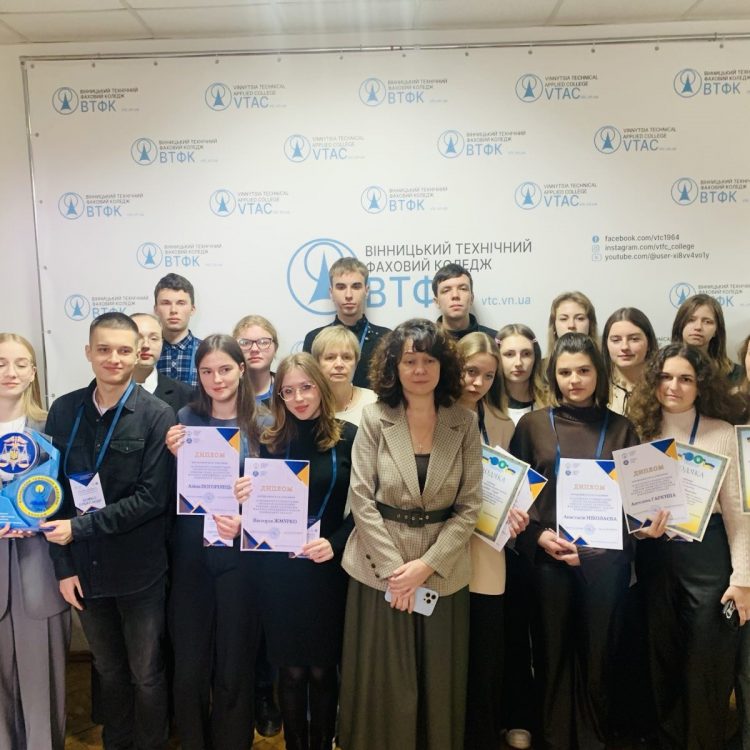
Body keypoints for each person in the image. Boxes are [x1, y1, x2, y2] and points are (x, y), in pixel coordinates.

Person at [339, 319, 483, 750]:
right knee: (383, 684)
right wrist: (395, 571)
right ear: (393, 367)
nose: (420, 370)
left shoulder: (464, 421)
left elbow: (469, 507)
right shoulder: (374, 418)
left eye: (429, 360)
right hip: (377, 572)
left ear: (443, 366)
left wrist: (425, 567)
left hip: (442, 573)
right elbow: (361, 499)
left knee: (438, 682)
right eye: (410, 361)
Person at [43, 312, 175, 750]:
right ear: (88, 352)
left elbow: (151, 498)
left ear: (138, 354)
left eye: (123, 350)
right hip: (84, 571)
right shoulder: (64, 410)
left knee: (146, 673)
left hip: (140, 572)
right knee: (108, 669)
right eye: (104, 349)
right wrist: (63, 567)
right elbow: (50, 494)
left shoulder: (157, 415)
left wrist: (79, 528)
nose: (113, 358)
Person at [511, 332, 639, 750]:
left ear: (598, 373)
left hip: (604, 564)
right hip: (548, 562)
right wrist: (539, 537)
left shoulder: (622, 428)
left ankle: (594, 741)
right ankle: (553, 740)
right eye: (565, 372)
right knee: (550, 658)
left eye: (583, 370)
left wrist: (599, 549)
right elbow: (514, 500)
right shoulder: (532, 426)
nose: (575, 380)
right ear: (554, 376)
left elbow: (634, 507)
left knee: (599, 658)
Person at [628, 343, 750, 750]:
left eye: (685, 379)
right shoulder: (639, 430)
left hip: (708, 558)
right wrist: (639, 530)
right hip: (656, 556)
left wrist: (743, 579)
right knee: (659, 659)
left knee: (705, 663)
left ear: (701, 385)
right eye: (665, 377)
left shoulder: (722, 432)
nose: (673, 387)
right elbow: (627, 509)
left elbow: (739, 514)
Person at [236, 353, 356, 750]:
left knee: (322, 671)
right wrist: (244, 495)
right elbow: (254, 509)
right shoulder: (269, 440)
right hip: (279, 573)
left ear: (320, 386)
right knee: (289, 672)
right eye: (288, 391)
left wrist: (335, 544)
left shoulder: (350, 437)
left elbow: (367, 508)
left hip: (326, 569)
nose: (299, 398)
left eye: (306, 388)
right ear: (279, 397)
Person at [164, 334, 264, 750]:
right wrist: (172, 457)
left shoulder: (266, 423)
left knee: (234, 665)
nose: (216, 379)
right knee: (189, 668)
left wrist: (247, 517)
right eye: (207, 371)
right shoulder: (184, 419)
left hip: (242, 557)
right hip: (191, 553)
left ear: (241, 369)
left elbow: (280, 499)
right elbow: (168, 493)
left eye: (225, 369)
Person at [456, 333, 528, 750]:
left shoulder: (503, 424)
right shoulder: (432, 415)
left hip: (487, 550)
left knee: (484, 654)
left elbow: (517, 491)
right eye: (470, 372)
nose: (478, 383)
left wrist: (518, 516)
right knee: (448, 654)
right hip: (440, 548)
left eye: (487, 376)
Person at [0, 333, 70, 750]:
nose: (10, 372)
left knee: (43, 681)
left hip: (41, 565)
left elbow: (74, 499)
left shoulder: (53, 428)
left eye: (20, 363)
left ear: (33, 372)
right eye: (0, 363)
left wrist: (46, 518)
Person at [302, 257, 390, 388]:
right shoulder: (314, 338)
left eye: (356, 287)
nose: (348, 295)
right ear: (331, 293)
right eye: (341, 287)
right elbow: (309, 387)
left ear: (366, 291)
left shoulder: (386, 338)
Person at [311, 326, 377, 426]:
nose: (339, 364)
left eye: (347, 357)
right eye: (330, 357)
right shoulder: (307, 406)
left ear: (356, 363)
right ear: (317, 363)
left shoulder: (374, 402)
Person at [671, 293, 744, 382]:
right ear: (680, 324)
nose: (698, 327)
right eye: (691, 320)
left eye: (707, 322)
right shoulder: (661, 367)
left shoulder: (736, 374)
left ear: (716, 331)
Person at [131, 312, 194, 413]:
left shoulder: (186, 395)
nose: (146, 345)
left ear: (162, 343)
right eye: (138, 338)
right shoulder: (107, 391)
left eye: (154, 338)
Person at [601, 307, 658, 415]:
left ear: (649, 343)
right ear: (606, 344)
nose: (625, 347)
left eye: (634, 339)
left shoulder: (662, 387)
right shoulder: (596, 387)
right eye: (616, 340)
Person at [153, 273, 202, 387]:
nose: (173, 310)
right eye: (166, 303)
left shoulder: (206, 351)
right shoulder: (147, 352)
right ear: (156, 309)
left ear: (192, 309)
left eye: (181, 303)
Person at [496, 323, 546, 425]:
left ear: (535, 357)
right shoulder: (486, 405)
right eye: (509, 354)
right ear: (496, 357)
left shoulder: (551, 402)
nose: (518, 363)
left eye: (526, 354)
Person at [432, 262, 497, 339]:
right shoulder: (427, 342)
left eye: (463, 289)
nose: (455, 295)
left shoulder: (494, 341)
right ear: (437, 302)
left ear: (471, 298)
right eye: (446, 290)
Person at [233, 314, 278, 405]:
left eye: (263, 342)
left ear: (275, 348)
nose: (254, 349)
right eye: (245, 343)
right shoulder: (226, 392)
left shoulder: (288, 389)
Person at [546, 291, 599, 356]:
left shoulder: (604, 362)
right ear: (554, 326)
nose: (571, 325)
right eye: (563, 319)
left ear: (590, 325)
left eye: (580, 318)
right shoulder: (540, 362)